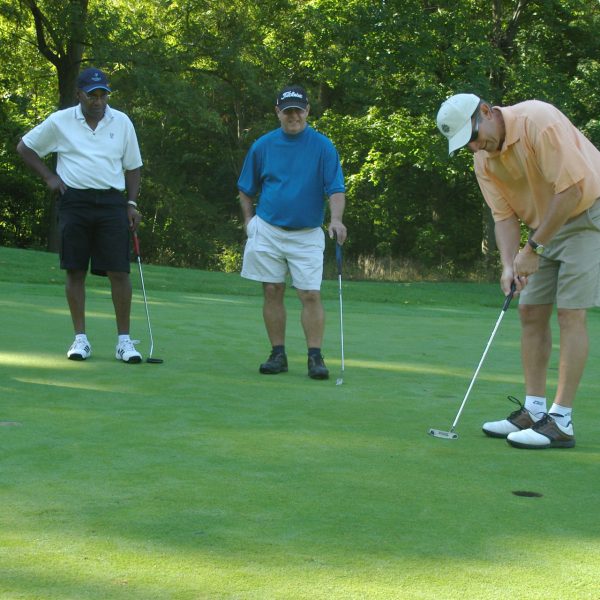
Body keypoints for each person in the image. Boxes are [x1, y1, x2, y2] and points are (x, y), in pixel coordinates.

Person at [436, 93, 600, 449]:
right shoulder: (483, 160)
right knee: (529, 311)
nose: (474, 147)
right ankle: (534, 409)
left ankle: (561, 421)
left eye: (474, 136)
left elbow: (571, 190)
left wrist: (533, 248)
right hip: (545, 225)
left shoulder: (537, 120)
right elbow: (504, 216)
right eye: (466, 144)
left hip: (587, 213)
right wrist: (509, 264)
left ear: (486, 112)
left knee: (571, 313)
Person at [17, 67, 144, 364]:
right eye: (92, 95)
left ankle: (124, 342)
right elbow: (25, 147)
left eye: (103, 95)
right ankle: (80, 339)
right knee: (75, 269)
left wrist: (133, 203)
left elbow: (133, 166)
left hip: (112, 202)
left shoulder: (121, 121)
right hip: (74, 200)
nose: (98, 101)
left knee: (119, 271)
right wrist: (49, 177)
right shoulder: (61, 121)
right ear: (79, 94)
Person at [237, 85, 347, 380]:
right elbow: (245, 189)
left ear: (307, 110)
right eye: (288, 111)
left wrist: (336, 220)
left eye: (299, 110)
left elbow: (335, 188)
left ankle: (315, 356)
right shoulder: (263, 146)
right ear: (278, 113)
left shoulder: (323, 146)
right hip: (268, 229)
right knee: (272, 290)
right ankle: (278, 354)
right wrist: (249, 222)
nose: (294, 116)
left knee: (310, 293)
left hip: (307, 232)